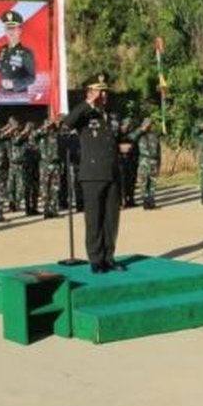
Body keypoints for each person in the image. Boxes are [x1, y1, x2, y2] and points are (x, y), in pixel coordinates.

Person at [62, 75, 124, 273]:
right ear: (90, 92)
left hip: (112, 173)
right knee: (94, 219)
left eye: (105, 91)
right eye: (99, 91)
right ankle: (96, 260)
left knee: (111, 219)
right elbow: (68, 123)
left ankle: (109, 257)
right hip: (92, 174)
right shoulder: (85, 114)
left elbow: (118, 138)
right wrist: (87, 103)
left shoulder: (111, 115)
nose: (103, 95)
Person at [0, 11, 36, 95]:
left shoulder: (26, 52)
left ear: (19, 31)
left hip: (19, 95)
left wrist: (14, 84)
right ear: (5, 31)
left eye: (13, 28)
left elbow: (31, 77)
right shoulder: (2, 49)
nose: (10, 32)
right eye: (8, 29)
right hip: (2, 93)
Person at [136, 118, 161, 210]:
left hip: (154, 161)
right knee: (144, 182)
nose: (149, 126)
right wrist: (141, 129)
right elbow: (131, 137)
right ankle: (145, 201)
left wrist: (159, 164)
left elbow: (159, 151)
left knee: (153, 182)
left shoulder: (155, 136)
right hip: (144, 161)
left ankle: (151, 200)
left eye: (150, 124)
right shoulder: (139, 135)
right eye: (147, 124)